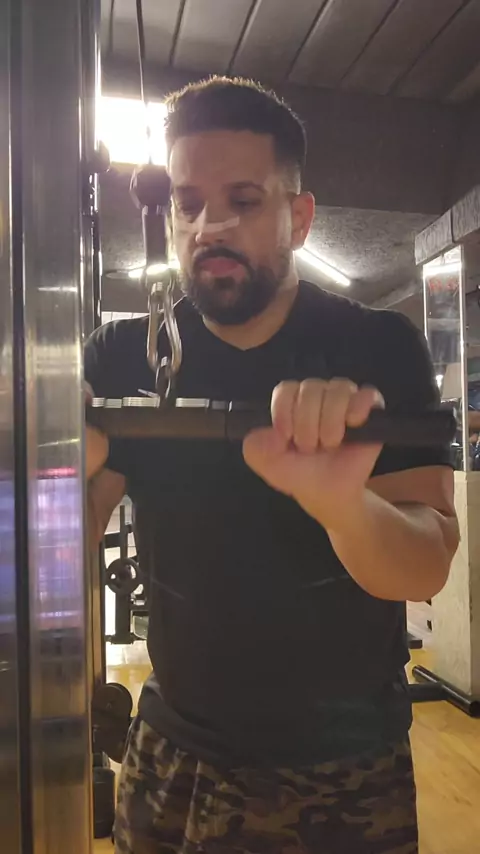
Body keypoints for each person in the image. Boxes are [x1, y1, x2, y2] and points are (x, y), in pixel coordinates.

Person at [85, 77, 459, 854]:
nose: (208, 228)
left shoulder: (375, 346)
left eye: (243, 201)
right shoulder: (126, 355)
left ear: (300, 216)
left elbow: (424, 566)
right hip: (170, 749)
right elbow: (57, 552)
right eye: (188, 204)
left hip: (340, 770)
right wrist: (53, 479)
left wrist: (341, 505)